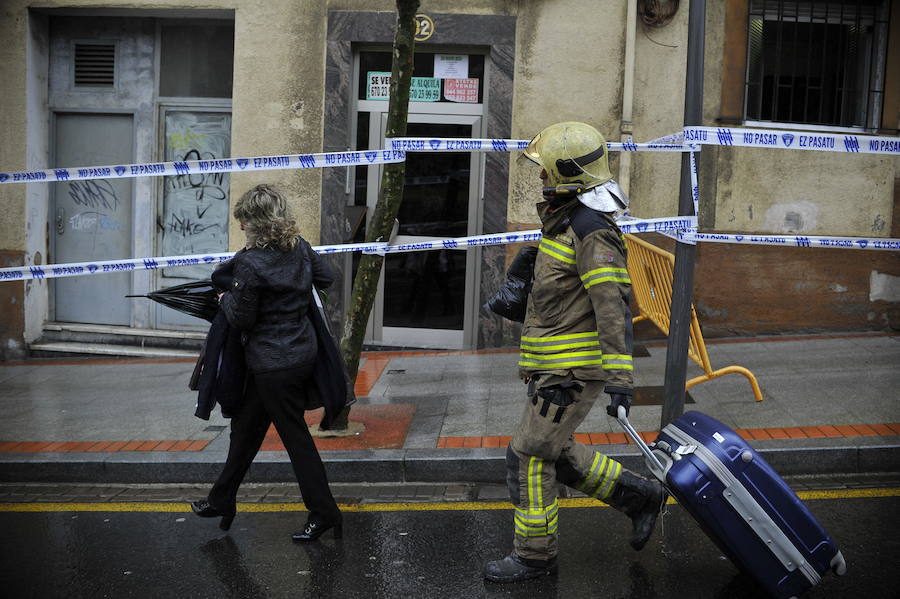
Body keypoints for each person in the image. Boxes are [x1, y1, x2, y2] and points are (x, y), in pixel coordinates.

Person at [484, 122, 667, 582]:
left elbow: (613, 306)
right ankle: (638, 496)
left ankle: (535, 556)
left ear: (567, 173)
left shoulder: (590, 229)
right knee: (555, 452)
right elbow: (565, 296)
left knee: (527, 456)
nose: (540, 179)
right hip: (554, 365)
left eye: (545, 171)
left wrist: (622, 381)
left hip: (570, 373)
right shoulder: (565, 219)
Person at [191, 183, 343, 542]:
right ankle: (222, 498)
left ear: (256, 223)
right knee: (245, 429)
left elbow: (242, 318)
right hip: (298, 353)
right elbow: (326, 279)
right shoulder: (300, 247)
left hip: (272, 364)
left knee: (296, 440)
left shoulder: (250, 262)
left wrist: (226, 296)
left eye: (244, 220)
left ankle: (325, 512)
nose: (241, 227)